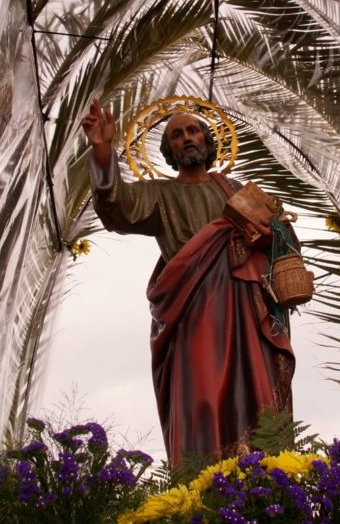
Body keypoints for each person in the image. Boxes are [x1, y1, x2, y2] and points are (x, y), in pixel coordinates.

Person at [81, 98, 295, 468]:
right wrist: (102, 150)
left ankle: (265, 482)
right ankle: (201, 485)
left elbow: (282, 233)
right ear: (168, 150)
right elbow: (115, 206)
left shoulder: (236, 191)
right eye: (176, 135)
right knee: (201, 398)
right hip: (194, 312)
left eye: (193, 130)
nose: (187, 138)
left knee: (256, 395)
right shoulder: (160, 195)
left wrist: (267, 232)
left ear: (209, 141)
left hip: (245, 308)